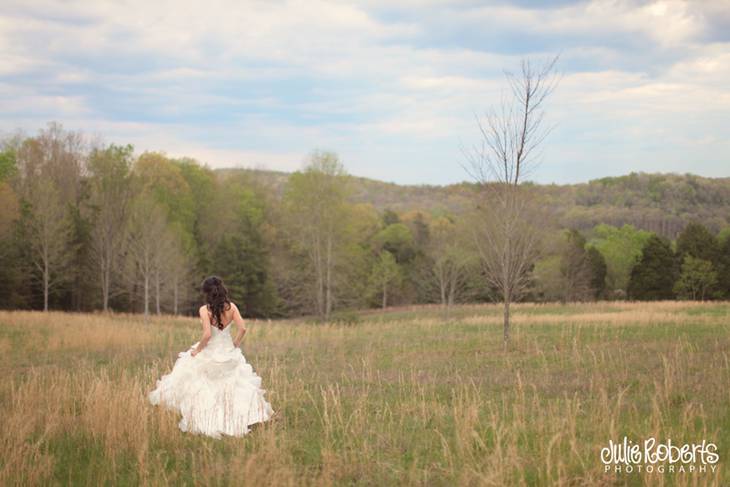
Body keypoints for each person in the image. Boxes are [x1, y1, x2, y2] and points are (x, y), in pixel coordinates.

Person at [148, 276, 274, 438]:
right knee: (235, 384)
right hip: (228, 351)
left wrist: (197, 350)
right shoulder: (232, 307)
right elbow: (242, 328)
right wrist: (234, 344)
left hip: (211, 351)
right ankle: (242, 416)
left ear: (207, 293)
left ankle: (208, 416)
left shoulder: (204, 310)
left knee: (197, 377)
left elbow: (207, 335)